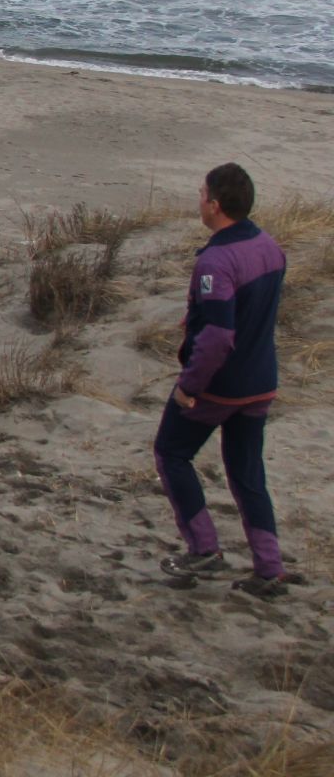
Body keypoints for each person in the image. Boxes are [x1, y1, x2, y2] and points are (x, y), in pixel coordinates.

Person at [155, 163, 290, 595]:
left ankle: (204, 549)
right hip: (261, 381)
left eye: (200, 194)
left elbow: (217, 336)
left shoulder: (217, 260)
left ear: (214, 205)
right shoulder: (269, 245)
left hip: (220, 386)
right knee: (248, 474)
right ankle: (269, 570)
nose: (198, 200)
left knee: (171, 452)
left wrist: (189, 387)